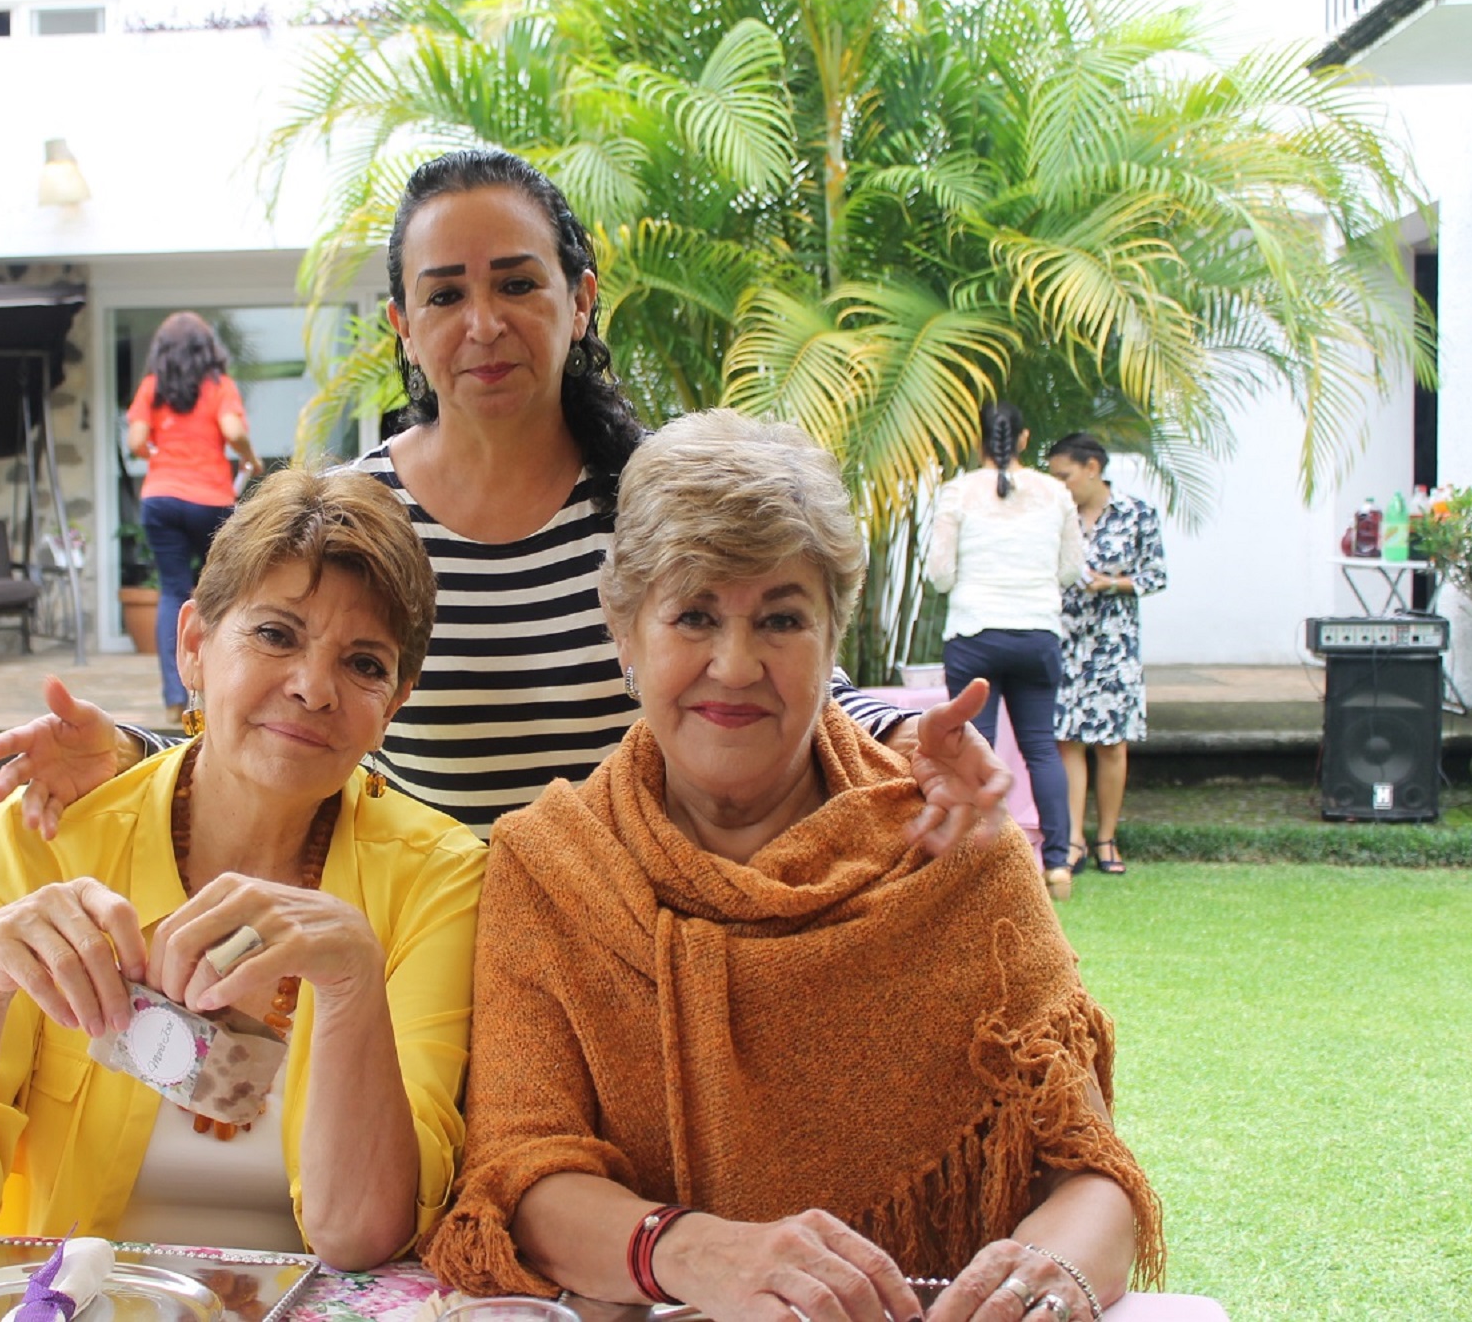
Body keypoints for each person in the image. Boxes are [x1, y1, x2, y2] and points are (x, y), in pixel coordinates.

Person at [0, 149, 1010, 851]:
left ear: (580, 296)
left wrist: (902, 730)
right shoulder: (356, 516)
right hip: (416, 965)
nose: (482, 322)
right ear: (401, 323)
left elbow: (775, 675)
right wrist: (123, 754)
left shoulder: (657, 500)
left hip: (634, 962)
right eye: (444, 293)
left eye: (516, 283)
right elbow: (276, 716)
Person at [422, 412, 1161, 1322]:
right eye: (693, 614)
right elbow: (521, 1173)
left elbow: (1093, 1172)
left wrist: (1055, 1275)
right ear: (625, 632)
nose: (734, 665)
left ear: (832, 634)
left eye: (780, 618)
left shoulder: (957, 849)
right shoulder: (550, 864)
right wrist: (696, 1250)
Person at [0, 468, 484, 1270]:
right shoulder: (45, 839)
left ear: (394, 702)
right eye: (276, 633)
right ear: (194, 644)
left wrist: (353, 978)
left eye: (364, 663)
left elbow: (362, 1233)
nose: (313, 687)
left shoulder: (440, 877)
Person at [925, 401, 1085, 900]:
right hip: (1037, 632)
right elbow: (1070, 570)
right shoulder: (1056, 492)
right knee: (1041, 747)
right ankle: (1058, 863)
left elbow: (940, 573)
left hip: (975, 633)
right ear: (1023, 439)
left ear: (980, 442)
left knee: (978, 747)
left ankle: (980, 860)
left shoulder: (958, 492)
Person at [129, 311, 265, 723]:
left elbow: (136, 441)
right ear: (208, 351)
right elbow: (233, 431)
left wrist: (160, 457)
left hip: (161, 498)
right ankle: (212, 692)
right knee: (218, 592)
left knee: (173, 592)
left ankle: (174, 697)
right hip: (209, 499)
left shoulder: (152, 388)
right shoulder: (218, 387)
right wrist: (250, 458)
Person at [1046, 433, 1168, 877]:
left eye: (1066, 475)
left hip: (1114, 643)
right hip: (1066, 637)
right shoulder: (1057, 514)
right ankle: (1073, 837)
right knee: (1067, 740)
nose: (1060, 484)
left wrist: (1112, 583)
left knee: (1112, 744)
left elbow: (1155, 576)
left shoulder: (1137, 514)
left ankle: (1107, 837)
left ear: (1092, 468)